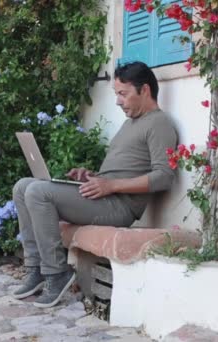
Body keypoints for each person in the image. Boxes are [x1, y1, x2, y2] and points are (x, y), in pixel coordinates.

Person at [12, 61, 178, 308]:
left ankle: (57, 273)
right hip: (105, 197)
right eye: (116, 94)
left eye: (123, 94)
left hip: (119, 207)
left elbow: (164, 176)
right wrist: (91, 176)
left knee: (38, 191)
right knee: (23, 186)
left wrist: (111, 186)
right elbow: (121, 170)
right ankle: (36, 268)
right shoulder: (131, 122)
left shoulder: (159, 123)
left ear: (144, 90)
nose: (118, 101)